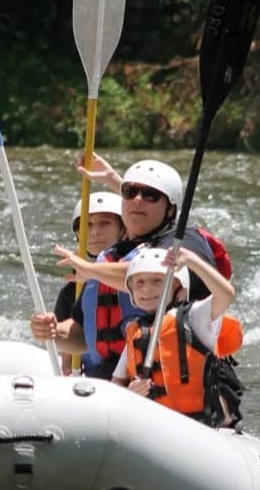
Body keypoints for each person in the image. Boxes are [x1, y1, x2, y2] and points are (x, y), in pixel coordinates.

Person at [30, 153, 219, 379]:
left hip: (166, 380)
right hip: (111, 380)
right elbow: (81, 336)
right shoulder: (110, 257)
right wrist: (53, 332)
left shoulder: (186, 241)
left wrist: (90, 271)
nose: (138, 200)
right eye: (130, 192)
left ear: (170, 209)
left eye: (150, 195)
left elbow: (154, 272)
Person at [113, 247, 244, 428]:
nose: (147, 288)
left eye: (157, 281)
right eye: (139, 282)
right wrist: (129, 393)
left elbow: (226, 294)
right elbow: (114, 387)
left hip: (205, 426)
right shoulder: (135, 332)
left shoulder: (195, 316)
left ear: (181, 289)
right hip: (159, 426)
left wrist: (192, 261)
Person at [53, 190, 125, 374]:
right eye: (88, 225)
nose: (94, 231)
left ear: (123, 229)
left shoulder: (137, 279)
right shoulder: (72, 290)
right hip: (93, 370)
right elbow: (66, 352)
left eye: (105, 223)